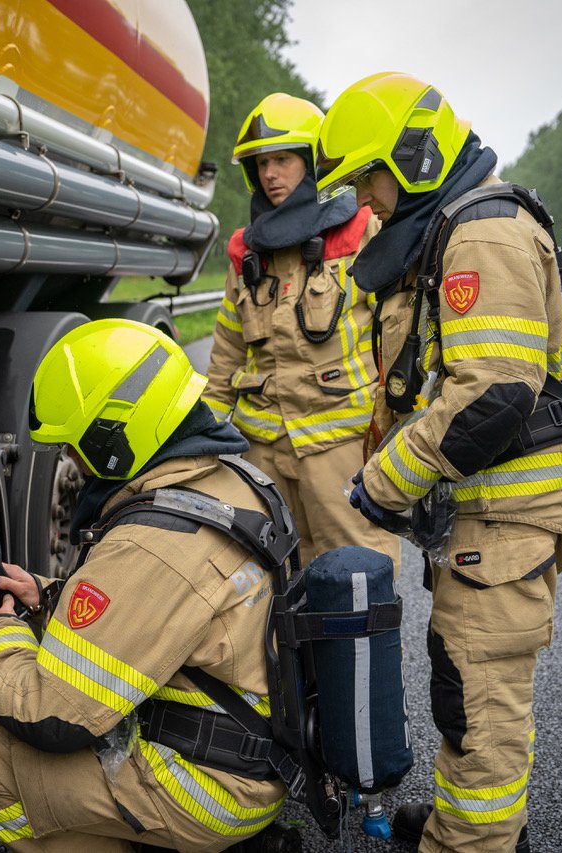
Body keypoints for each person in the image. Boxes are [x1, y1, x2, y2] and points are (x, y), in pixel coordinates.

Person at [315, 72, 562, 852]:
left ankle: (473, 841)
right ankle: (471, 823)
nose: (365, 202)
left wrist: (384, 480)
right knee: (471, 690)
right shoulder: (455, 224)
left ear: (410, 156)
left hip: (507, 521)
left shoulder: (482, 234)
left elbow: (492, 396)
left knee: (479, 706)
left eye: (368, 176)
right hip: (489, 516)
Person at [0, 318, 295, 853]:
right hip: (257, 752)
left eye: (76, 446)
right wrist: (50, 597)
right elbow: (169, 617)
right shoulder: (238, 482)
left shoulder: (151, 545)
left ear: (113, 438)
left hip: (208, 790)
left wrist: (4, 633)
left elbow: (50, 714)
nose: (74, 463)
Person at [202, 92, 400, 570]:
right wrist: (203, 436)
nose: (270, 174)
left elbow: (396, 336)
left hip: (342, 450)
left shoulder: (363, 232)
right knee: (270, 580)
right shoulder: (245, 255)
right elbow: (226, 355)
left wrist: (387, 430)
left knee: (354, 575)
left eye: (283, 160)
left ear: (311, 162)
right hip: (262, 456)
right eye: (261, 163)